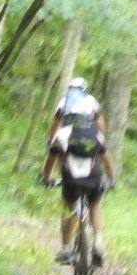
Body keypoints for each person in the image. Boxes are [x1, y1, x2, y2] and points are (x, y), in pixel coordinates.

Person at [41, 77, 114, 265]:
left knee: (68, 206)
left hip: (71, 178)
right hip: (93, 175)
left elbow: (51, 155)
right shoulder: (92, 109)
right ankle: (98, 242)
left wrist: (46, 178)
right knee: (95, 204)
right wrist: (111, 178)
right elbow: (105, 147)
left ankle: (67, 248)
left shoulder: (63, 109)